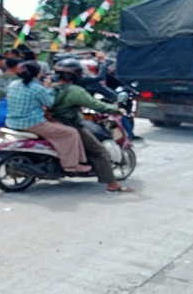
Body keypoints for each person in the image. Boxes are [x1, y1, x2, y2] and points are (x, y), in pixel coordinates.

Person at [50, 58, 135, 193]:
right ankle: (112, 184)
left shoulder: (51, 87)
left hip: (52, 122)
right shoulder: (75, 90)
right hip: (71, 124)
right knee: (100, 151)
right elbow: (96, 104)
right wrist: (117, 110)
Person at [5, 61, 89, 174]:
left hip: (12, 122)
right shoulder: (37, 88)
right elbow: (49, 103)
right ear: (39, 73)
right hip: (32, 124)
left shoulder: (13, 84)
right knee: (71, 132)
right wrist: (49, 88)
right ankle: (71, 165)